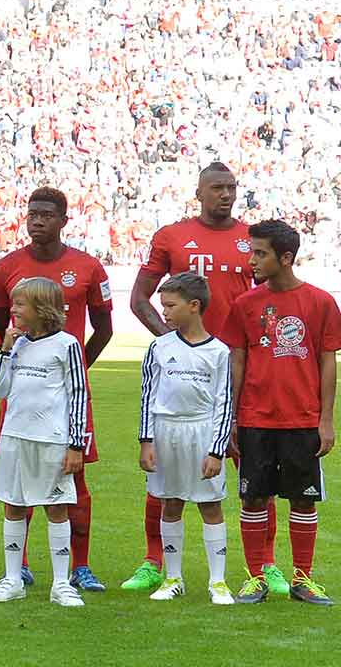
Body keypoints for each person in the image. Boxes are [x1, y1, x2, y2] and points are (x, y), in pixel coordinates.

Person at [122, 163, 251, 595]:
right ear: (198, 192)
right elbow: (140, 298)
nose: (226, 194)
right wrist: (172, 343)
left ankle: (257, 567)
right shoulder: (171, 236)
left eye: (231, 187)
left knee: (243, 468)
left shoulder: (252, 239)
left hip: (237, 364)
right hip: (186, 373)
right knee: (166, 477)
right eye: (217, 188)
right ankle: (154, 562)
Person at [0, 187, 114, 592]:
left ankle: (81, 567)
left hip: (66, 400)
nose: (37, 220)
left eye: (46, 214)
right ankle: (18, 567)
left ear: (63, 220)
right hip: (23, 396)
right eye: (31, 213)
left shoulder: (88, 267)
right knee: (18, 481)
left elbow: (104, 327)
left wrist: (69, 371)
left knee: (74, 480)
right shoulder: (6, 267)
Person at [221, 220, 338, 605]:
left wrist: (325, 420)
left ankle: (303, 580)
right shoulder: (245, 305)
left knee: (303, 500)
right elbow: (237, 361)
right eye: (251, 252)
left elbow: (327, 362)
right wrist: (233, 418)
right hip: (255, 418)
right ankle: (256, 578)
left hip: (302, 419)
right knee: (253, 499)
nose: (251, 261)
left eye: (260, 253)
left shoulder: (320, 302)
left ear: (285, 257)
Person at [0, 278, 89, 608]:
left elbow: (79, 394)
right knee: (14, 505)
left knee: (56, 508)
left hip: (52, 440)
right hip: (15, 437)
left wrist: (75, 445)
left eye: (20, 304)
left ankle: (61, 583)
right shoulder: (16, 344)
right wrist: (4, 350)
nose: (12, 309)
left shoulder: (67, 344)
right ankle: (12, 578)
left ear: (42, 308)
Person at [137, 273, 236, 606]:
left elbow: (224, 403)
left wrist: (216, 450)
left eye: (170, 305)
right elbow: (147, 396)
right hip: (166, 432)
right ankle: (173, 577)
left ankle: (218, 581)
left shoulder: (219, 352)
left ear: (194, 306)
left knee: (210, 505)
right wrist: (146, 441)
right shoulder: (159, 347)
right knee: (171, 502)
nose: (163, 312)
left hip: (202, 430)